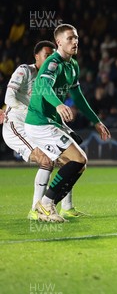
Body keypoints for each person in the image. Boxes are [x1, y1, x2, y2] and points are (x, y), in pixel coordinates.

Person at [24, 24, 111, 222]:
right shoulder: (52, 63)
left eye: (76, 38)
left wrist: (96, 121)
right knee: (78, 159)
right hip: (40, 122)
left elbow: (78, 97)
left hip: (51, 123)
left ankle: (51, 206)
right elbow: (44, 86)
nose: (75, 41)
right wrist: (58, 105)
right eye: (70, 38)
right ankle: (45, 204)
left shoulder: (72, 65)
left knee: (79, 165)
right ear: (59, 42)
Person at [1, 41, 85, 220]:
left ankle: (66, 207)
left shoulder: (51, 76)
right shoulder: (25, 71)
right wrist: (30, 111)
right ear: (36, 57)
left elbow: (50, 111)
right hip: (16, 125)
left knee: (68, 161)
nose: (50, 59)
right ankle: (36, 210)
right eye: (46, 56)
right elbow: (9, 97)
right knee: (45, 160)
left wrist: (65, 129)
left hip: (38, 125)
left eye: (52, 55)